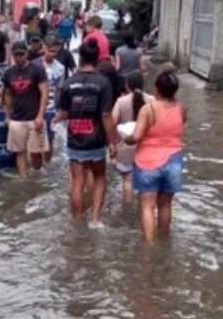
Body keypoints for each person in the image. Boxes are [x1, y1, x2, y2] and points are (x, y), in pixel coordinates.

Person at [53, 40, 116, 223]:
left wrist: (57, 118)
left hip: (75, 140)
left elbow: (64, 113)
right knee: (99, 177)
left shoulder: (69, 83)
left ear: (80, 58)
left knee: (77, 181)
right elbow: (106, 115)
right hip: (96, 140)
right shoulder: (104, 83)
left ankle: (78, 219)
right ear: (97, 59)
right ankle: (96, 219)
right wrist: (112, 141)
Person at [125, 68, 187, 242]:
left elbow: (136, 136)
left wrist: (126, 139)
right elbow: (179, 129)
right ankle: (165, 241)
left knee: (148, 207)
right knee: (166, 205)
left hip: (148, 162)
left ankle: (150, 248)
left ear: (157, 89)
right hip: (174, 161)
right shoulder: (181, 109)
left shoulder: (148, 109)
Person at [2, 40, 49, 178]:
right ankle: (23, 179)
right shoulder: (8, 72)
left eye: (21, 54)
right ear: (12, 55)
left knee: (36, 152)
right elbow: (8, 95)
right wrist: (7, 116)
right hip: (16, 118)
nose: (19, 57)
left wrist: (41, 116)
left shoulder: (38, 70)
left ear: (27, 54)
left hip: (35, 118)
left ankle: (36, 175)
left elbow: (44, 93)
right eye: (16, 54)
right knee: (20, 152)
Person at [112, 70, 146, 205]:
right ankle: (143, 209)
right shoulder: (151, 100)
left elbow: (112, 123)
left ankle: (127, 209)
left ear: (127, 85)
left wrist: (112, 145)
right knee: (145, 182)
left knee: (127, 180)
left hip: (125, 149)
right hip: (146, 149)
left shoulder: (121, 102)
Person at [41, 38, 67, 163]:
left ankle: (47, 164)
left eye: (54, 51)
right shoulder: (35, 65)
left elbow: (59, 90)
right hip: (34, 108)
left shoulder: (60, 68)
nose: (51, 54)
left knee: (49, 140)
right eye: (49, 51)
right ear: (44, 48)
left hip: (51, 109)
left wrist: (59, 110)